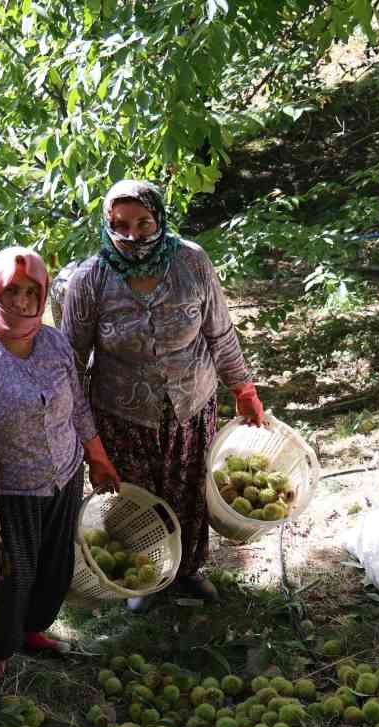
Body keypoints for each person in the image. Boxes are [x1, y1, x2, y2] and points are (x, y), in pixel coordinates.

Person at [61, 179, 265, 611]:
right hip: (122, 412)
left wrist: (243, 389)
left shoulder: (191, 262)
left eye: (144, 222)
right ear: (106, 224)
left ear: (160, 218)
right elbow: (72, 365)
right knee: (136, 495)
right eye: (121, 226)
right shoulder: (90, 280)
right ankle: (145, 576)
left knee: (189, 488)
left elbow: (220, 332)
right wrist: (85, 437)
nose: (133, 235)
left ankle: (186, 570)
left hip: (191, 402)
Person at [0, 247, 121, 682]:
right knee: (6, 582)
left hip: (63, 477)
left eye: (31, 291)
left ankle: (32, 631)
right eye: (11, 291)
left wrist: (98, 458)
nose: (22, 301)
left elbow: (77, 406)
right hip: (10, 493)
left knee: (53, 570)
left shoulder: (54, 342)